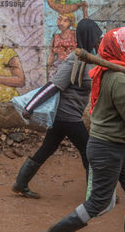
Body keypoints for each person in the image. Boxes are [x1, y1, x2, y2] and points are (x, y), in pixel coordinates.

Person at [39, 26, 125, 232]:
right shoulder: (119, 80)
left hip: (116, 144)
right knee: (99, 203)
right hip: (108, 147)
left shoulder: (109, 72)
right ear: (121, 50)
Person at [11, 18, 103, 199]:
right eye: (97, 38)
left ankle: (21, 183)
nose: (99, 41)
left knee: (48, 147)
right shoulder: (75, 59)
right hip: (67, 115)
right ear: (89, 38)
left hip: (67, 116)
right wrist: (31, 106)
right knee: (88, 151)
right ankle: (96, 195)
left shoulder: (91, 58)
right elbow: (53, 86)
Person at [47, 13, 78, 79]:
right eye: (59, 20)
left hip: (72, 67)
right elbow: (51, 55)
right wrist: (49, 70)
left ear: (70, 23)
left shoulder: (75, 35)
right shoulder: (55, 37)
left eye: (65, 21)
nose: (61, 23)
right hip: (57, 68)